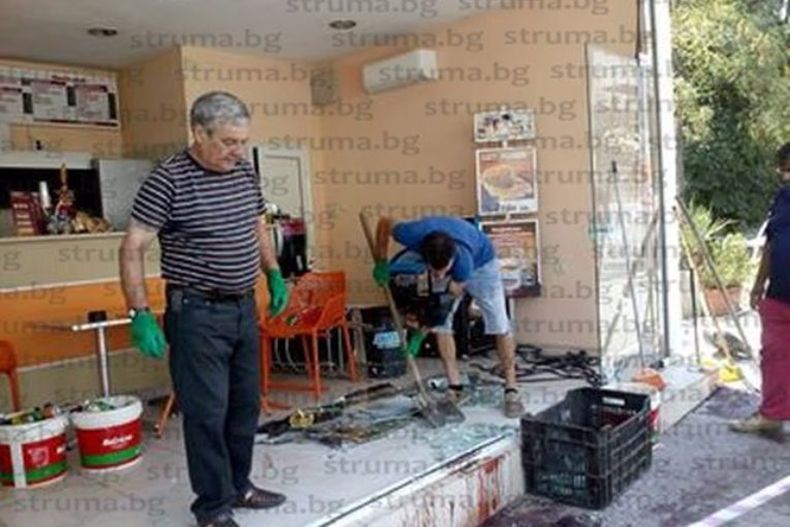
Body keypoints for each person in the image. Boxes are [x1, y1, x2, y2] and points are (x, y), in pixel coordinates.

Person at [120, 91, 290, 527]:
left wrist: (273, 272)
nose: (239, 151)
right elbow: (133, 246)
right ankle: (212, 509)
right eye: (229, 142)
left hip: (243, 308)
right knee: (207, 414)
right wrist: (139, 312)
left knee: (244, 406)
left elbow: (257, 226)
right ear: (199, 133)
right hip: (196, 312)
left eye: (243, 141)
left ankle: (239, 486)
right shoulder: (168, 179)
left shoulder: (244, 171)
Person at [372, 215, 525, 418]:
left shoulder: (463, 263)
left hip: (483, 263)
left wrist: (420, 333)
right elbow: (385, 223)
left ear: (451, 259)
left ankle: (511, 389)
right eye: (435, 272)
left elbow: (444, 307)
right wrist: (381, 261)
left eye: (444, 271)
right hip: (443, 244)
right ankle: (455, 387)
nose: (441, 276)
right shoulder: (411, 233)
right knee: (442, 327)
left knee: (499, 324)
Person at [731, 142, 790, 435]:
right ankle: (772, 416)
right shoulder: (782, 199)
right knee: (774, 359)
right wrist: (757, 285)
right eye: (785, 170)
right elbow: (771, 243)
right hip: (778, 296)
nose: (787, 176)